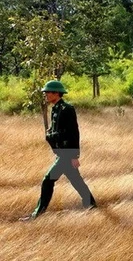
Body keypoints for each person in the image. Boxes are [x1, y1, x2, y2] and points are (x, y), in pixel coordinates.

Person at [19, 80, 96, 221]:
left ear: (56, 93)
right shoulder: (55, 109)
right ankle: (91, 205)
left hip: (67, 154)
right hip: (61, 153)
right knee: (76, 181)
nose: (46, 95)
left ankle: (37, 215)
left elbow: (74, 133)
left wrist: (75, 155)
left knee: (47, 180)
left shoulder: (67, 109)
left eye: (48, 92)